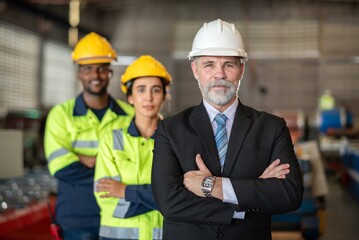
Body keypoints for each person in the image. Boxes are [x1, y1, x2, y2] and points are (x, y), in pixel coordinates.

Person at [151, 19, 304, 240]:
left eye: (229, 65)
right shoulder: (170, 130)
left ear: (241, 69)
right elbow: (169, 203)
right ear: (195, 70)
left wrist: (212, 186)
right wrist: (249, 199)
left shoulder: (271, 128)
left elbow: (290, 194)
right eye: (209, 64)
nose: (219, 74)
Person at [44, 32, 134, 240]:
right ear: (79, 73)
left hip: (120, 216)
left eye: (102, 68)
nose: (96, 75)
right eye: (88, 69)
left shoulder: (129, 115)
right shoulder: (61, 115)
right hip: (77, 219)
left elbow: (139, 167)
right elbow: (61, 167)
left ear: (110, 72)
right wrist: (113, 171)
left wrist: (87, 159)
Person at [94, 55, 171, 240]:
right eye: (141, 90)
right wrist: (159, 199)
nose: (149, 97)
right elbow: (108, 201)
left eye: (156, 90)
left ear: (164, 95)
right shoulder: (111, 141)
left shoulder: (177, 141)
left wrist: (127, 191)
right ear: (130, 97)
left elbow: (182, 197)